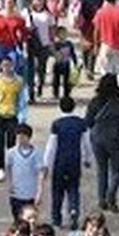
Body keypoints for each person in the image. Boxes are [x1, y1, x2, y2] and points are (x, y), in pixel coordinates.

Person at [85, 75, 119, 213]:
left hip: (97, 138)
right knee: (116, 170)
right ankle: (111, 196)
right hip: (115, 138)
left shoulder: (94, 102)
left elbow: (88, 121)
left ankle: (102, 199)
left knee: (102, 170)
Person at [44, 96, 92, 229]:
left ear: (60, 107)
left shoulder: (57, 124)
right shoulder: (81, 123)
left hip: (60, 161)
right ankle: (73, 209)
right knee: (73, 188)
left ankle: (56, 219)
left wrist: (46, 164)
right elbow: (87, 143)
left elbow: (51, 146)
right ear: (74, 107)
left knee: (57, 191)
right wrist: (88, 159)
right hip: (74, 160)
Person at [0, 58, 30, 179]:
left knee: (11, 143)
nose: (6, 67)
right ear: (0, 66)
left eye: (9, 65)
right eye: (4, 65)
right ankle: (0, 168)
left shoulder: (19, 81)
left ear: (12, 65)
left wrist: (22, 116)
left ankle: (11, 166)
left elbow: (22, 100)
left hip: (12, 115)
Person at [4, 124, 44, 220]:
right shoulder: (11, 153)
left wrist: (39, 192)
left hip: (30, 194)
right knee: (17, 219)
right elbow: (8, 168)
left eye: (22, 137)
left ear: (29, 137)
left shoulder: (36, 153)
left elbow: (41, 173)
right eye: (18, 137)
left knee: (30, 219)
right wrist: (10, 183)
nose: (20, 140)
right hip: (16, 193)